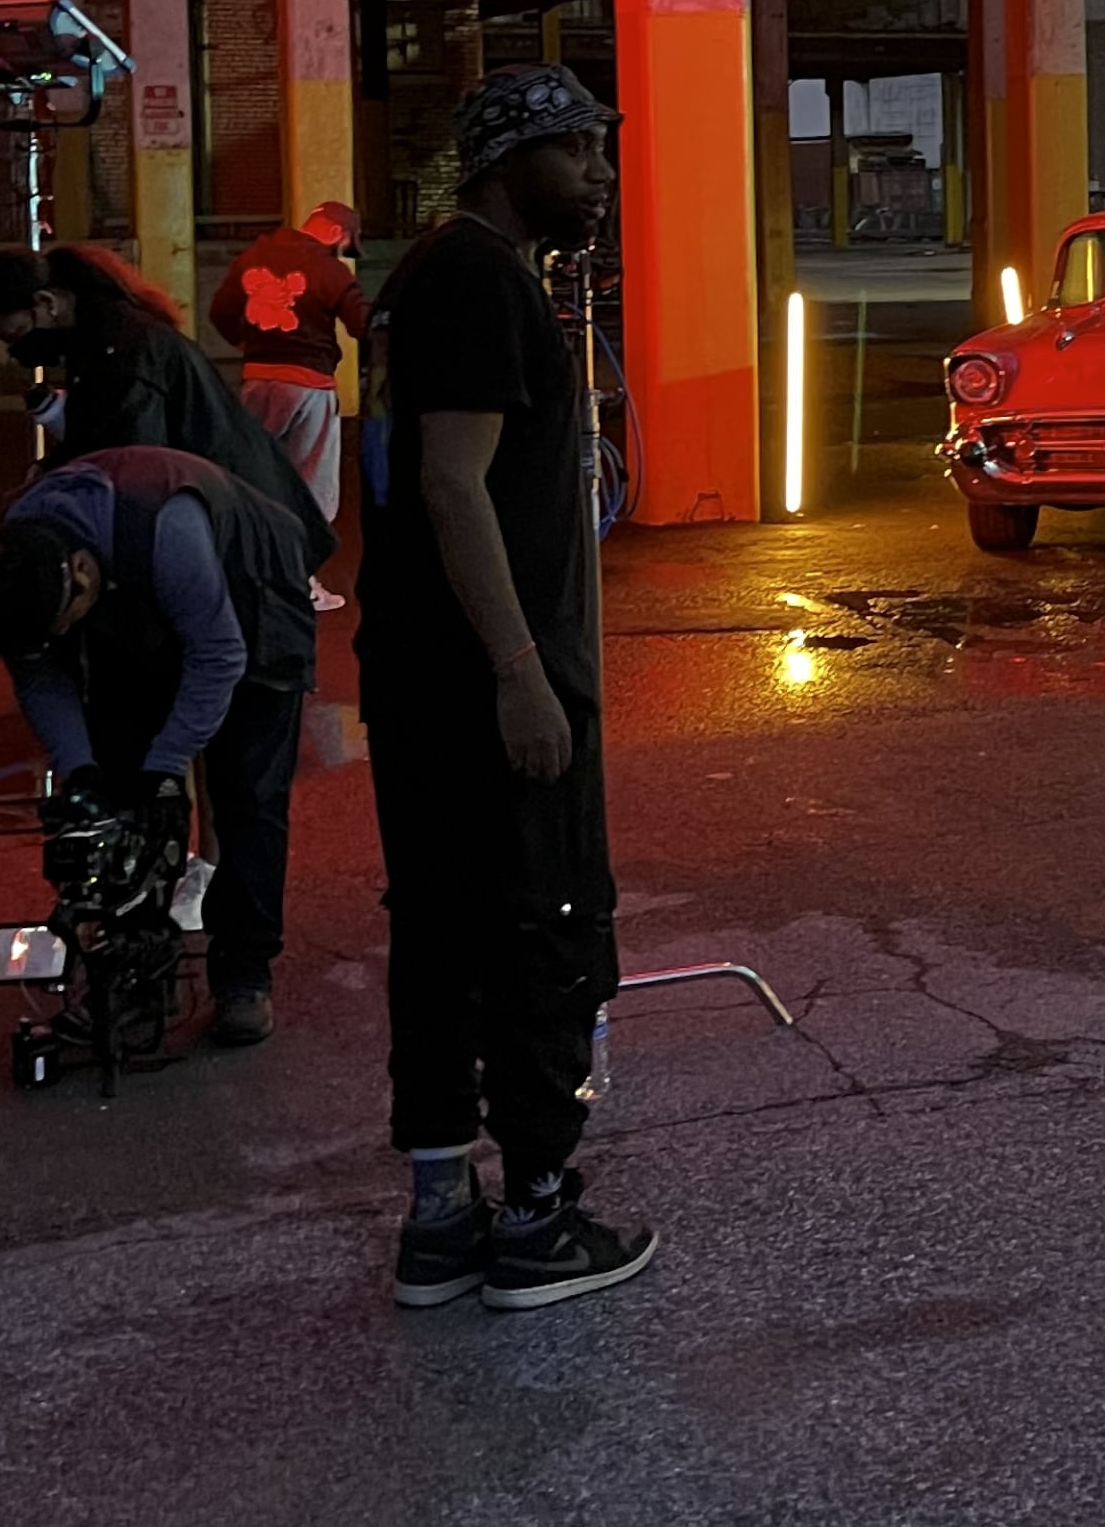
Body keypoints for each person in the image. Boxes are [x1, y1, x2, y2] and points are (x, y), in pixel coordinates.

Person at [362, 63, 652, 1312]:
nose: (599, 175)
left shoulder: (438, 275)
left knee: (439, 934)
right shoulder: (479, 277)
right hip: (488, 681)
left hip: (426, 674)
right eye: (577, 150)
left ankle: (441, 1216)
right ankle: (536, 1219)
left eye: (601, 150)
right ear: (504, 161)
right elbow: (451, 482)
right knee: (541, 928)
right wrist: (523, 673)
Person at [0, 444, 317, 1048]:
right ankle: (136, 967)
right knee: (119, 779)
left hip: (255, 592)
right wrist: (82, 770)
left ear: (81, 574)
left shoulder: (168, 530)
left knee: (248, 795)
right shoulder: (14, 561)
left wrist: (167, 765)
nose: (62, 638)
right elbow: (41, 674)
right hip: (140, 601)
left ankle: (243, 974)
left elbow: (219, 656)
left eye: (67, 624)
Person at [0, 243, 335, 575]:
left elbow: (135, 463)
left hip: (242, 530)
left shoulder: (124, 352)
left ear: (47, 303)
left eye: (15, 334)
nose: (17, 352)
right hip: (233, 516)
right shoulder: (102, 338)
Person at [209, 201, 370, 612]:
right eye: (346, 244)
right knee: (313, 489)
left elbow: (220, 312)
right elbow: (363, 326)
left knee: (251, 477)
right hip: (310, 385)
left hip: (257, 380)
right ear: (336, 233)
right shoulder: (331, 271)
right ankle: (300, 581)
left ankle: (242, 576)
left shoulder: (253, 256)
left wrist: (250, 343)